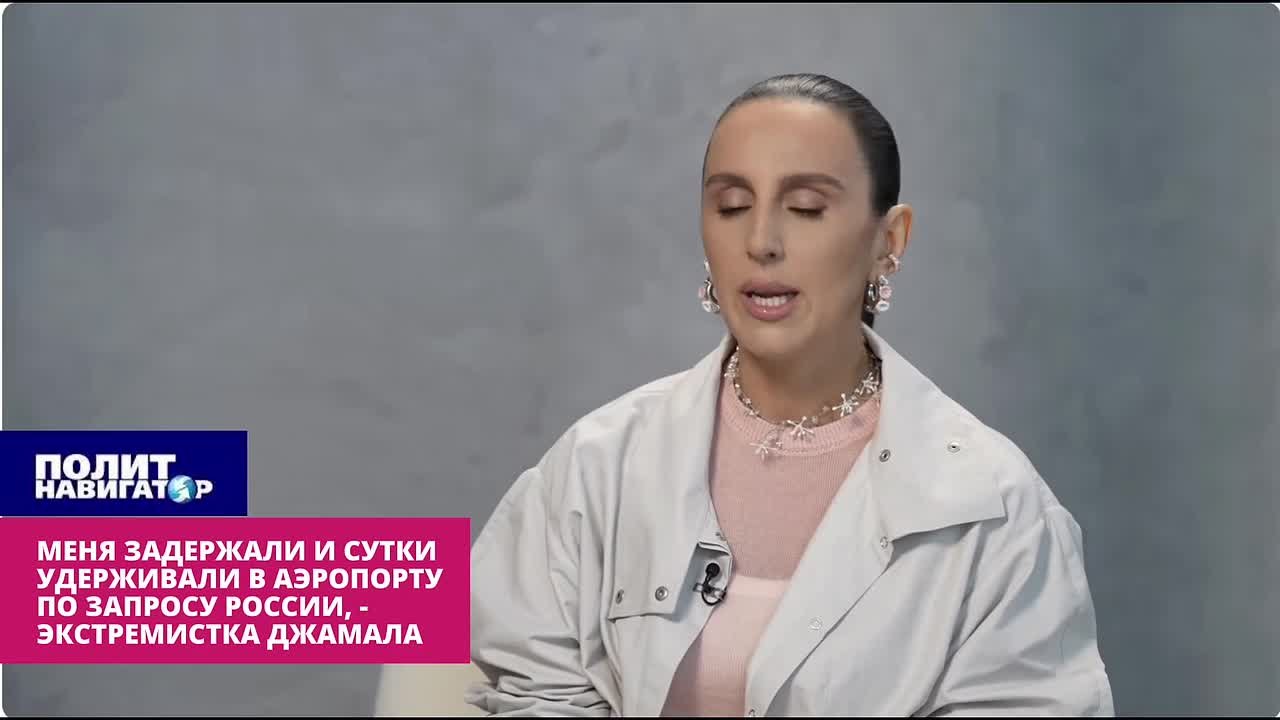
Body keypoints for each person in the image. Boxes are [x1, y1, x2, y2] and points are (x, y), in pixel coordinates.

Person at [464, 73, 1114, 716]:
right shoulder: (595, 465)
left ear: (889, 241)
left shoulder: (997, 508)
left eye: (805, 208)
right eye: (731, 206)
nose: (761, 243)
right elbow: (528, 690)